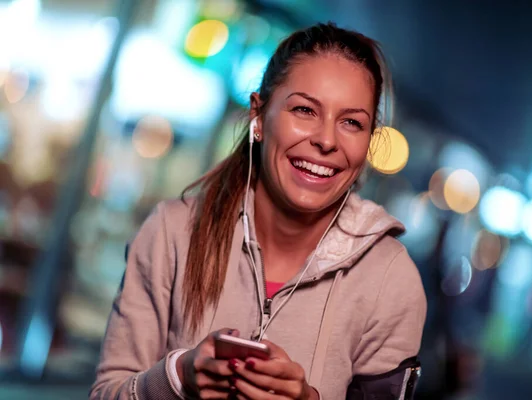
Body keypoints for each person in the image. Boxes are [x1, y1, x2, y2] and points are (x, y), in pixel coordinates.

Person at [90, 22, 426, 400]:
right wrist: (177, 376)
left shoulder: (391, 281)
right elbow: (106, 393)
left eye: (351, 122)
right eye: (304, 110)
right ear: (258, 116)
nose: (327, 141)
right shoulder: (172, 231)